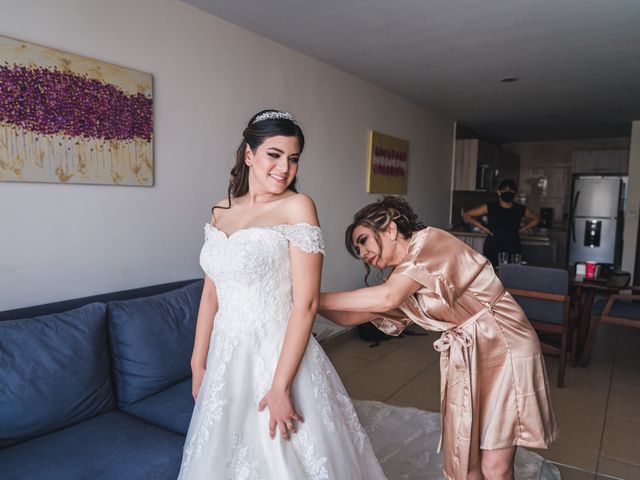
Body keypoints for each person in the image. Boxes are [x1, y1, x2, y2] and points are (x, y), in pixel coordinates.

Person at [177, 110, 387, 479]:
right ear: (248, 154)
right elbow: (211, 294)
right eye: (274, 154)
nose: (284, 168)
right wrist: (197, 363)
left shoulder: (298, 206)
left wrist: (279, 386)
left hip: (277, 351)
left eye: (293, 159)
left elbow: (305, 304)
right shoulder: (220, 211)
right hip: (227, 353)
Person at [319, 196, 558, 480]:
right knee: (465, 458)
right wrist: (305, 307)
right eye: (356, 248)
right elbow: (349, 316)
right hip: (468, 354)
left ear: (390, 228)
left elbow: (387, 297)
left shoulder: (429, 243)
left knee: (494, 465)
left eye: (363, 240)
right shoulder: (402, 278)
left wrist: (311, 297)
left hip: (503, 344)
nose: (361, 253)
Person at [463, 179, 540, 266]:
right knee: (493, 273)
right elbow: (467, 215)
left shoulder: (520, 209)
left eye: (511, 190)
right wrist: (484, 228)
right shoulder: (490, 207)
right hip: (493, 245)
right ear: (499, 192)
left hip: (513, 245)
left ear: (515, 193)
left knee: (511, 272)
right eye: (505, 190)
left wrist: (524, 229)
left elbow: (537, 218)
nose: (508, 192)